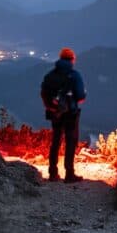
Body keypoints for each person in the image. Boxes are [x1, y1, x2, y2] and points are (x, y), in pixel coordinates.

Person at [41, 47, 87, 183]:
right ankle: (69, 174)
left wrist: (53, 106)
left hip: (55, 112)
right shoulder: (74, 75)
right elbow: (80, 95)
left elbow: (44, 92)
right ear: (72, 59)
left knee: (55, 141)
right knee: (70, 142)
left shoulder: (50, 75)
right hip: (70, 113)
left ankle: (53, 172)